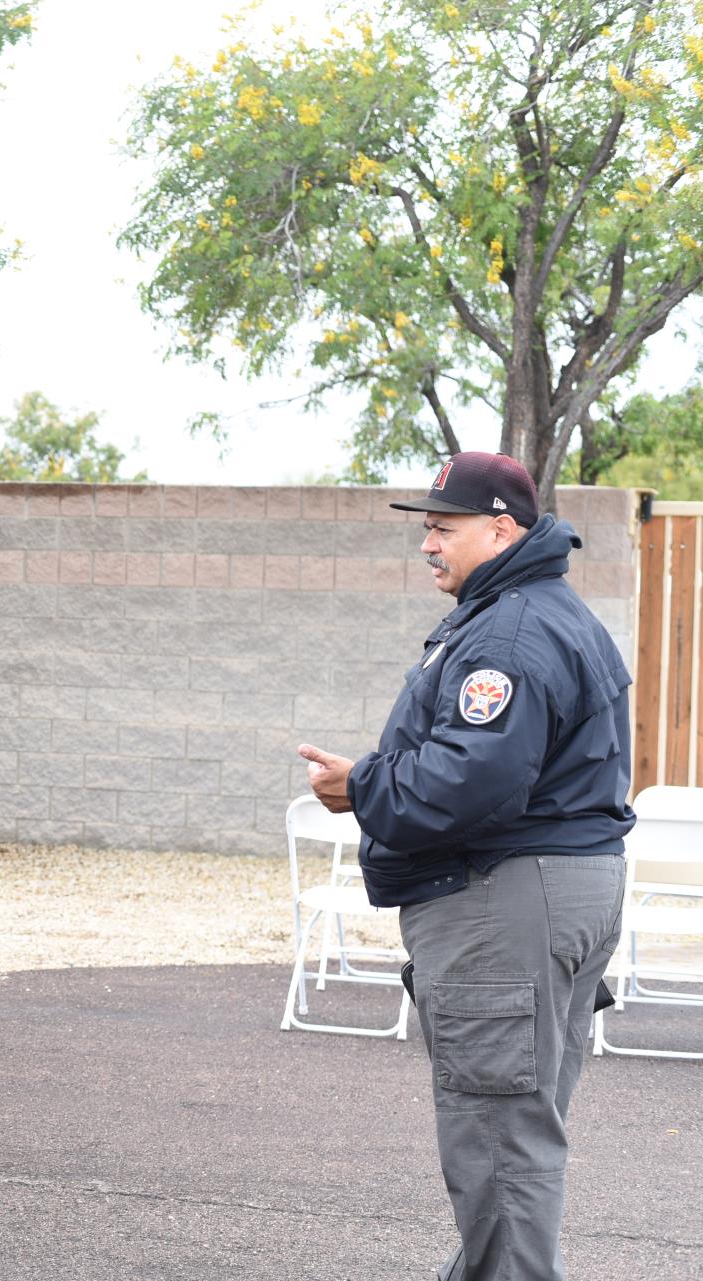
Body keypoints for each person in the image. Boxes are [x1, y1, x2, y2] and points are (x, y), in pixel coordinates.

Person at [298, 452, 631, 1281]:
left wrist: (360, 785)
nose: (428, 544)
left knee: (498, 1138)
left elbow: (473, 781)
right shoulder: (540, 610)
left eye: (444, 527)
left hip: (510, 893)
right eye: (426, 528)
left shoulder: (510, 628)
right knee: (517, 1127)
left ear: (502, 528)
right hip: (555, 885)